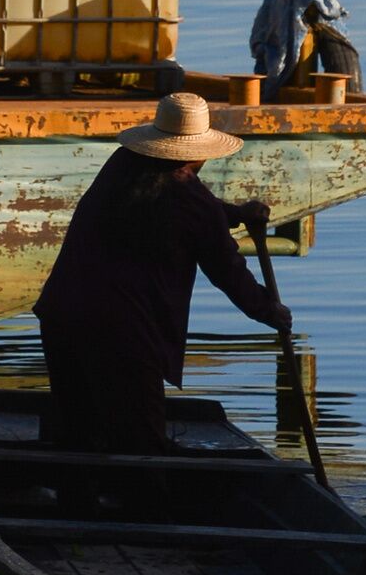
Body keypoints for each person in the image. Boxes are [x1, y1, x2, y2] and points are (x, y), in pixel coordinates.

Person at [33, 89, 293, 454]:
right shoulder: (194, 204)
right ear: (201, 152)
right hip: (123, 333)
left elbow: (182, 210)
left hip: (62, 314)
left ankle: (81, 498)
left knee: (76, 434)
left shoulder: (123, 164)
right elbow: (228, 272)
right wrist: (271, 312)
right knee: (144, 445)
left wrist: (235, 214)